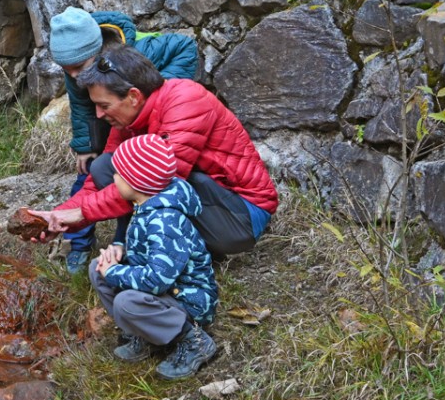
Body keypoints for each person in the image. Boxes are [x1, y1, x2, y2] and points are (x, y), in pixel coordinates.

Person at [29, 45, 277, 258]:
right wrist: (58, 218)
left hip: (240, 218)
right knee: (106, 166)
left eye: (104, 105)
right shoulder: (129, 120)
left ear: (134, 96)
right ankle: (156, 247)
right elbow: (96, 183)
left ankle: (161, 250)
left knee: (148, 174)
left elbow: (154, 183)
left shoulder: (185, 100)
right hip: (209, 201)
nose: (99, 115)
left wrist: (81, 212)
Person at [48, 7, 200, 272]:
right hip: (111, 118)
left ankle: (127, 242)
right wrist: (86, 147)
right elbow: (81, 106)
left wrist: (155, 96)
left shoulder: (140, 52)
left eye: (78, 68)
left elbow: (186, 47)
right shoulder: (76, 65)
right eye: (66, 69)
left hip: (141, 118)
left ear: (95, 53)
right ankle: (77, 243)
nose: (73, 75)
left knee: (135, 182)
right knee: (91, 174)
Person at [89, 132, 220, 380]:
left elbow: (158, 279)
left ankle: (194, 341)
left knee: (126, 301)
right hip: (166, 291)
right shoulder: (147, 205)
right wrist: (121, 250)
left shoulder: (165, 220)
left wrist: (115, 272)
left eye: (118, 174)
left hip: (188, 300)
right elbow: (150, 253)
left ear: (135, 182)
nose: (114, 177)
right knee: (98, 267)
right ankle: (146, 332)